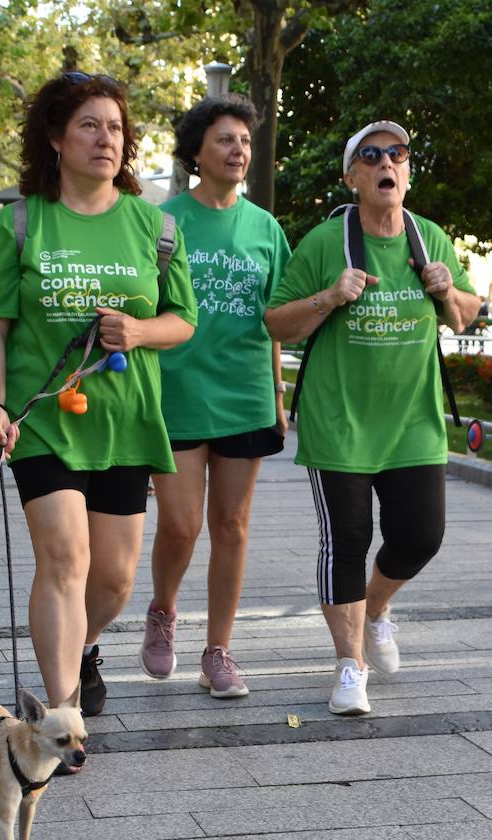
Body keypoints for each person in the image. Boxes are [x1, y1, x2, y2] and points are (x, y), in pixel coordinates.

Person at [0, 72, 198, 721]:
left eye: (116, 127)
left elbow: (183, 319)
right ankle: (61, 712)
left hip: (125, 420)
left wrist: (142, 329)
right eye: (90, 125)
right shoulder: (17, 222)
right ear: (56, 137)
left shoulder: (155, 227)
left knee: (116, 577)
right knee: (65, 557)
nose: (106, 139)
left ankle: (85, 644)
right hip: (41, 418)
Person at [265, 120, 481, 716]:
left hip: (412, 422)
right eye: (372, 155)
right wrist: (329, 297)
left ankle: (377, 608)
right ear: (352, 175)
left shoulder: (428, 236)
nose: (388, 162)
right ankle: (349, 665)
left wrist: (447, 291)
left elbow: (465, 313)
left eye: (398, 154)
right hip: (341, 421)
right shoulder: (323, 242)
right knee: (347, 540)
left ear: (407, 172)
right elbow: (277, 323)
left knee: (421, 536)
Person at [143, 95, 290, 698]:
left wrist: (277, 399)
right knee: (181, 525)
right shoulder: (162, 220)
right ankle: (162, 610)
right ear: (196, 151)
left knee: (231, 524)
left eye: (245, 142)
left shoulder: (265, 227)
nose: (239, 150)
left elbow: (277, 317)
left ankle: (219, 651)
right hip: (175, 394)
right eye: (226, 140)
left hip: (245, 393)